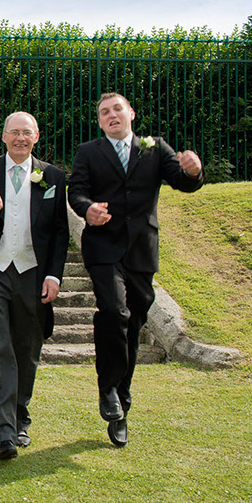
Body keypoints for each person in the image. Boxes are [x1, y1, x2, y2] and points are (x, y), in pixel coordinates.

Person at [68, 92, 203, 447]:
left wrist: (194, 170)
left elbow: (182, 181)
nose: (111, 115)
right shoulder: (88, 152)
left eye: (117, 109)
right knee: (114, 311)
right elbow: (76, 192)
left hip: (142, 250)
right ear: (99, 121)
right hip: (102, 248)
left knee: (133, 322)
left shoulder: (155, 147)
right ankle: (108, 389)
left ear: (131, 113)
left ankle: (121, 403)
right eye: (104, 112)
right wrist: (87, 210)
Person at [0, 111, 69, 460]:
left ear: (37, 136)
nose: (21, 138)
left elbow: (59, 232)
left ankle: (19, 416)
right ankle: (3, 432)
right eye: (15, 133)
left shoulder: (52, 176)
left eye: (27, 133)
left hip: (33, 272)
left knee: (27, 347)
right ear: (4, 137)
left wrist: (54, 275)